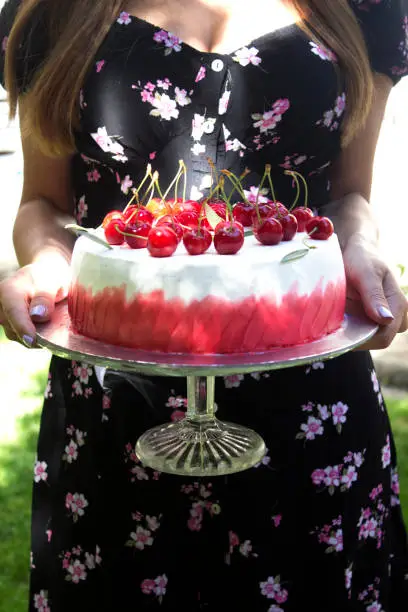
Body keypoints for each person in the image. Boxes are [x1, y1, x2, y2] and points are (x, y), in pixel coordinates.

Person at [1, 0, 408, 609]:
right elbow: (41, 201)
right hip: (116, 413)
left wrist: (361, 246)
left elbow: (350, 195)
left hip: (313, 409)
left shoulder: (363, 8)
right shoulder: (55, 12)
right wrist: (51, 262)